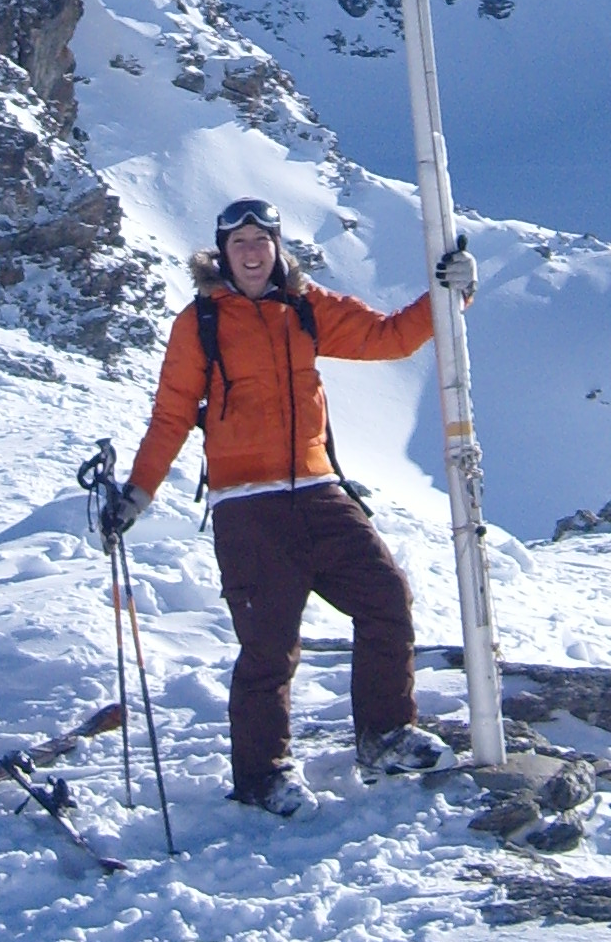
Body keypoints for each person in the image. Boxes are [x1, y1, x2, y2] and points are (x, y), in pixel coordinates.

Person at [105, 196, 476, 814]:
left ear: (277, 247)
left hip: (320, 491)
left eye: (261, 241)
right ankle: (262, 775)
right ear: (222, 254)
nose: (251, 254)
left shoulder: (306, 307)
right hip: (247, 506)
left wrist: (448, 297)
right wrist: (138, 494)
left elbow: (387, 339)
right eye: (239, 244)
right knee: (270, 647)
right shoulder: (199, 323)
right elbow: (171, 417)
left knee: (386, 598)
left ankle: (384, 735)